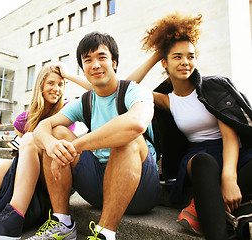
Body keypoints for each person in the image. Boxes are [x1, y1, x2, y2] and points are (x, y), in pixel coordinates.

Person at [127, 12, 252, 240]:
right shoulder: (166, 99)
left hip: (232, 153)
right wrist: (157, 53)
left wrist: (229, 179)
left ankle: (213, 207)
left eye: (191, 56)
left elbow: (230, 136)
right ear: (165, 62)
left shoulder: (213, 88)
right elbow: (128, 87)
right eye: (177, 57)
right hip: (200, 158)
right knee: (205, 163)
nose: (186, 62)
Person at [28, 32, 161, 240]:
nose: (95, 65)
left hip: (140, 188)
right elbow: (42, 127)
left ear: (114, 62)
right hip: (99, 185)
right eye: (87, 60)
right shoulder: (86, 101)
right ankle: (62, 223)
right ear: (83, 68)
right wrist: (52, 144)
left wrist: (77, 145)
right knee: (58, 133)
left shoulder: (134, 92)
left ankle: (104, 234)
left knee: (127, 137)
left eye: (101, 57)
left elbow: (135, 124)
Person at [0, 64, 91, 240]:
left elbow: (100, 91)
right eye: (51, 83)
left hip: (58, 176)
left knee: (31, 137)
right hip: (32, 178)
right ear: (40, 85)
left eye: (61, 84)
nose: (56, 89)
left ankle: (14, 215)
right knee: (0, 166)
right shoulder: (23, 120)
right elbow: (22, 157)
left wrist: (69, 75)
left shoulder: (67, 108)